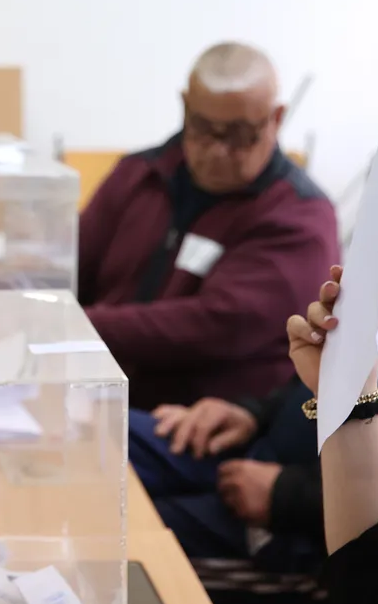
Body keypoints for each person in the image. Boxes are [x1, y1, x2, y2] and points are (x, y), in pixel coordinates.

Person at [78, 41, 339, 410]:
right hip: (96, 394)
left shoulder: (299, 217)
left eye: (239, 134)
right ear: (185, 106)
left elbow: (216, 325)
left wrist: (75, 324)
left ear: (276, 118)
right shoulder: (139, 175)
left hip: (201, 420)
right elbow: (74, 261)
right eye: (202, 127)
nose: (217, 150)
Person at [128, 255, 378, 573]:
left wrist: (286, 494)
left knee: (123, 531)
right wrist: (251, 413)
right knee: (107, 436)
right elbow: (328, 367)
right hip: (257, 449)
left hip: (309, 525)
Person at [288, 266, 378, 604]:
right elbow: (377, 574)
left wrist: (283, 492)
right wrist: (253, 411)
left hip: (300, 533)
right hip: (352, 533)